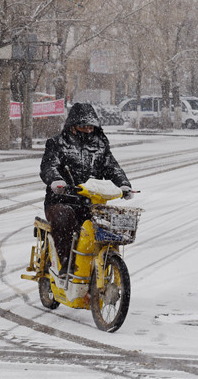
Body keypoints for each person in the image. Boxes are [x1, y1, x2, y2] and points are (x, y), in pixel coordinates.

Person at [40, 102, 132, 275]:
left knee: (109, 226)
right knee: (65, 221)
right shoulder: (56, 143)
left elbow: (112, 167)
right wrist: (57, 181)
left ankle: (104, 265)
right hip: (62, 201)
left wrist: (124, 184)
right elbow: (49, 166)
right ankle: (66, 267)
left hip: (92, 203)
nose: (88, 130)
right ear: (73, 126)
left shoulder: (100, 145)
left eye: (91, 126)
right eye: (83, 126)